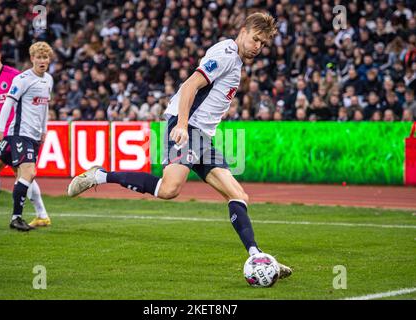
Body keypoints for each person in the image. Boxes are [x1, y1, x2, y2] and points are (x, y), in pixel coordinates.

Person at [67, 13, 292, 279]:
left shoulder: (235, 59)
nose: (258, 47)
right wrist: (182, 125)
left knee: (239, 196)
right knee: (169, 189)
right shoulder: (227, 54)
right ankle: (99, 175)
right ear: (242, 31)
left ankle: (257, 256)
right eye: (255, 39)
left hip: (202, 134)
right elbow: (189, 86)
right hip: (189, 128)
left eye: (263, 44)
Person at [0, 42, 50, 229]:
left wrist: (38, 129)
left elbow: (33, 100)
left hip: (17, 131)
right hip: (7, 133)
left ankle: (39, 215)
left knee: (21, 173)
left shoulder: (15, 75)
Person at [0, 42, 54, 231]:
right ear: (32, 58)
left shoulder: (49, 79)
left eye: (45, 57)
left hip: (34, 135)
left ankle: (39, 215)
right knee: (29, 173)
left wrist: (44, 130)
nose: (42, 61)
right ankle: (16, 217)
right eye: (39, 57)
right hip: (20, 133)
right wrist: (0, 129)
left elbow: (45, 107)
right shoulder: (22, 79)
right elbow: (8, 104)